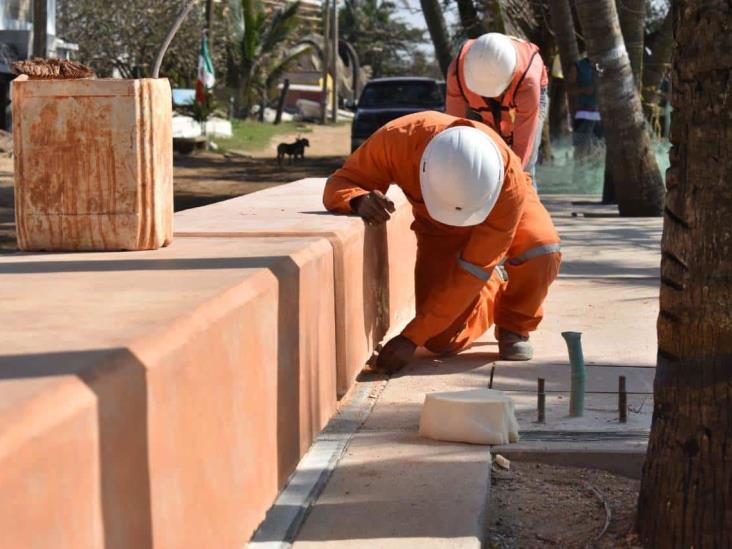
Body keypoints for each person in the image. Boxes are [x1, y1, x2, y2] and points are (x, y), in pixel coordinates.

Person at [323, 111, 561, 372]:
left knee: (541, 248)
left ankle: (515, 325)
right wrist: (357, 199)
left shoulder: (508, 182)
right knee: (439, 340)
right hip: (437, 229)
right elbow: (341, 182)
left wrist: (410, 337)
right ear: (422, 169)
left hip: (500, 213)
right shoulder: (397, 140)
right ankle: (492, 288)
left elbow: (474, 267)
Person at [445, 33, 549, 186]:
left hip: (529, 97)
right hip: (479, 107)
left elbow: (523, 143)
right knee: (472, 156)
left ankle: (525, 203)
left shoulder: (528, 81)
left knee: (525, 167)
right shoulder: (457, 71)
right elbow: (454, 127)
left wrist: (510, 178)